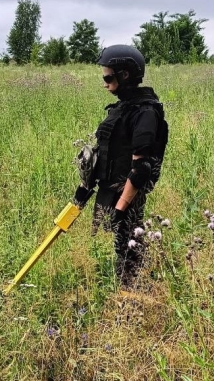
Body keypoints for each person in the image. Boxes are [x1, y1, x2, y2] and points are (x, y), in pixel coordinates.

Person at [74, 45, 168, 288]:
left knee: (130, 247)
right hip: (110, 186)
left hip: (127, 191)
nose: (104, 83)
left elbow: (141, 168)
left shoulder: (145, 111)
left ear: (124, 75)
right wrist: (86, 186)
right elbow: (108, 151)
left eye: (108, 77)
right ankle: (129, 289)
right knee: (122, 246)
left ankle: (133, 298)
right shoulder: (123, 107)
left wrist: (121, 207)